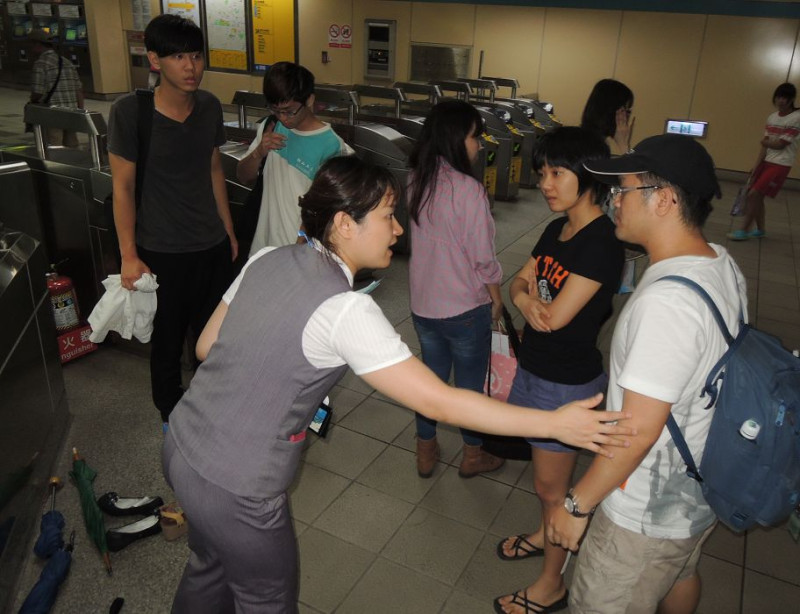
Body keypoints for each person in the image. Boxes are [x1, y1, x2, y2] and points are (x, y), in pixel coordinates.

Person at [162, 155, 635, 613]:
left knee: (208, 566)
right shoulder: (346, 311)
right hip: (240, 487)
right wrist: (554, 422)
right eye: (388, 216)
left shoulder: (267, 256)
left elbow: (207, 346)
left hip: (181, 446)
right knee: (267, 600)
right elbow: (443, 402)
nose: (398, 229)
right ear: (345, 224)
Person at [547, 135, 746, 614]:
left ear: (664, 199)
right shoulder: (718, 262)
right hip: (696, 487)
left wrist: (577, 505)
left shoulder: (668, 305)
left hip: (645, 512)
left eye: (624, 190)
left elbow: (636, 431)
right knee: (680, 573)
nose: (613, 200)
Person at [494, 127, 624, 614]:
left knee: (553, 489)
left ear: (587, 175)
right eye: (542, 173)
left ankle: (551, 584)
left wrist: (528, 301)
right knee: (545, 483)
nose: (546, 183)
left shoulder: (601, 242)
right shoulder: (557, 228)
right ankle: (543, 530)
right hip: (535, 370)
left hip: (566, 385)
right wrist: (527, 301)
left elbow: (557, 318)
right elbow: (518, 284)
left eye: (557, 173)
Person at [107, 14, 237, 426]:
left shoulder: (210, 107)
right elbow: (123, 188)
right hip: (161, 250)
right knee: (166, 343)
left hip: (211, 245)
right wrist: (129, 254)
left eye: (196, 56)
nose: (190, 67)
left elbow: (215, 170)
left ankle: (209, 411)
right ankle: (171, 416)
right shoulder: (131, 112)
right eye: (178, 56)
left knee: (212, 339)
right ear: (155, 60)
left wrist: (229, 233)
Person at [406, 100, 506, 479]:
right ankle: (473, 455)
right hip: (464, 308)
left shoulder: (415, 178)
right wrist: (496, 297)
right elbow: (482, 257)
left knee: (430, 380)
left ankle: (425, 451)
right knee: (468, 387)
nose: (478, 145)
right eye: (474, 136)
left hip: (424, 306)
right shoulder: (468, 190)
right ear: (453, 138)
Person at [236, 61, 351, 254]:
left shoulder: (332, 146)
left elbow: (325, 210)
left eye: (289, 111)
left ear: (309, 100)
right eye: (276, 110)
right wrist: (258, 153)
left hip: (299, 251)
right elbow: (243, 176)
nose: (283, 118)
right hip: (262, 249)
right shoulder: (270, 126)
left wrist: (300, 251)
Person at [728, 82, 800, 240]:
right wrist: (756, 165)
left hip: (781, 164)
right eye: (778, 97)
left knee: (754, 194)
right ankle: (760, 230)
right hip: (767, 162)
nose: (781, 100)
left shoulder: (796, 117)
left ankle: (744, 231)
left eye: (785, 98)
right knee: (756, 196)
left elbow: (781, 144)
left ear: (792, 99)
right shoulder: (772, 117)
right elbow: (765, 145)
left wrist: (765, 142)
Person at [29, 29, 84, 147]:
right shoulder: (66, 62)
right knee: (72, 144)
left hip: (52, 113)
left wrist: (32, 103)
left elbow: (38, 92)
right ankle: (74, 164)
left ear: (37, 44)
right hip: (71, 111)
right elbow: (78, 90)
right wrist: (80, 110)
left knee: (54, 143)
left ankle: (57, 165)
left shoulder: (41, 63)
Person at [581, 79, 635, 156]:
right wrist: (623, 144)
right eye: (624, 110)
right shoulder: (588, 146)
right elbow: (628, 166)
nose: (626, 117)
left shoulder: (599, 142)